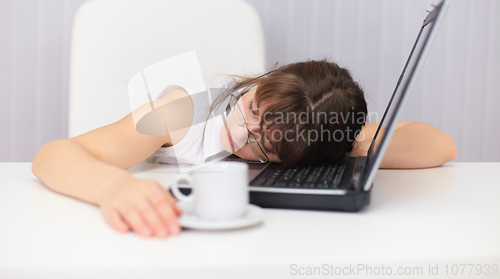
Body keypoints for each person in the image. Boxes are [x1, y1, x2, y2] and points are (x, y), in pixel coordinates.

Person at [32, 59, 457, 239]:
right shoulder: (182, 112)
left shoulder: (307, 133)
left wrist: (346, 145)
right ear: (264, 81)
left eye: (263, 146)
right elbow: (53, 155)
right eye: (250, 109)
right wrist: (112, 189)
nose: (239, 135)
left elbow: (440, 145)